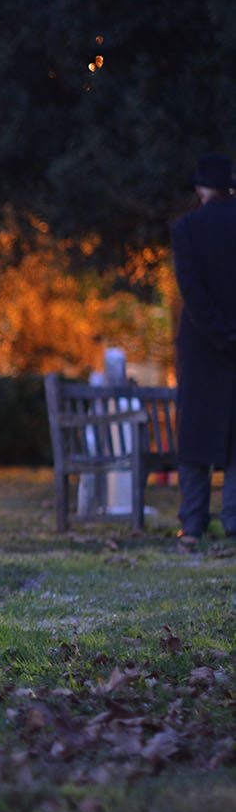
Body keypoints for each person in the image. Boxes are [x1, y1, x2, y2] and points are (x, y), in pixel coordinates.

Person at [171, 153, 236, 544]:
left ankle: (192, 523)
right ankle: (233, 520)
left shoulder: (186, 228)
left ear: (200, 189)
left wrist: (219, 331)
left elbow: (191, 291)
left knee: (195, 435)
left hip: (200, 346)